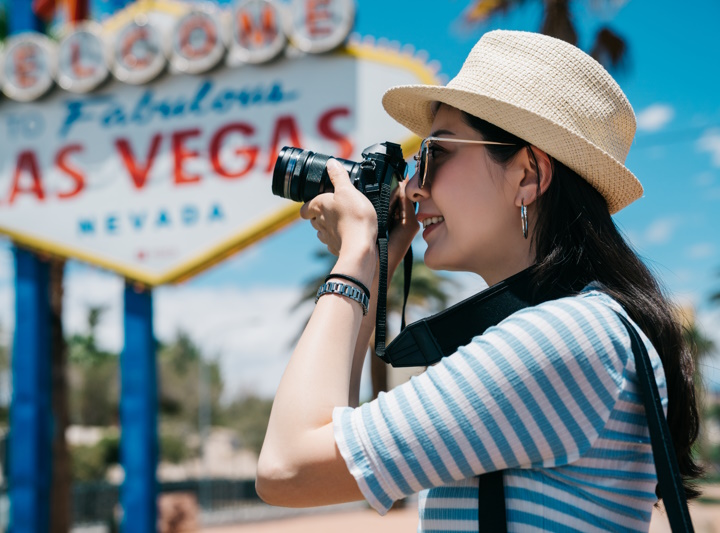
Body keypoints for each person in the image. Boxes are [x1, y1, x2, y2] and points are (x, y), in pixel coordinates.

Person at [255, 30, 701, 531]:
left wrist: (356, 258)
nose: (415, 185)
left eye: (434, 154)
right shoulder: (591, 329)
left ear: (528, 175)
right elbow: (324, 434)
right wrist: (379, 259)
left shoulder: (565, 336)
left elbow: (287, 468)